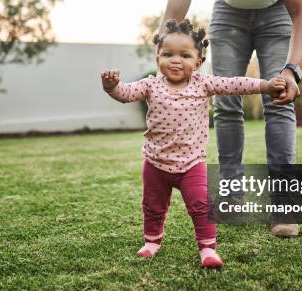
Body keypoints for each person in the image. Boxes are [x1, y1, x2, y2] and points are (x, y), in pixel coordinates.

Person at [100, 19, 286, 268]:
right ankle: (152, 241)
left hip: (191, 164)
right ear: (158, 59)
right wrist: (112, 87)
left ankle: (208, 248)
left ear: (198, 63)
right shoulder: (150, 85)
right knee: (152, 206)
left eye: (185, 55)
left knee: (201, 205)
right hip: (156, 163)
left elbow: (234, 84)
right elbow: (126, 94)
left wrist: (265, 85)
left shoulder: (203, 84)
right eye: (168, 54)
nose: (175, 60)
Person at [160, 0, 302, 236]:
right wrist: (161, 56)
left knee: (280, 99)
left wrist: (292, 71)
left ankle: (283, 203)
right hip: (228, 14)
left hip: (278, 12)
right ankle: (232, 196)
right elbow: (174, 11)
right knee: (226, 103)